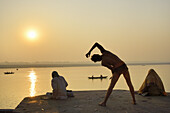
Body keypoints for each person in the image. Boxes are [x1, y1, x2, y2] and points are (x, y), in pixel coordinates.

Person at [86, 42, 136, 106]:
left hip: (117, 70)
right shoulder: (105, 52)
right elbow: (96, 44)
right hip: (124, 66)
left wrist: (113, 75)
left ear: (97, 61)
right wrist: (89, 51)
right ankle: (134, 100)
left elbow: (112, 69)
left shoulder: (103, 63)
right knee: (129, 84)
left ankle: (104, 102)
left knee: (111, 86)